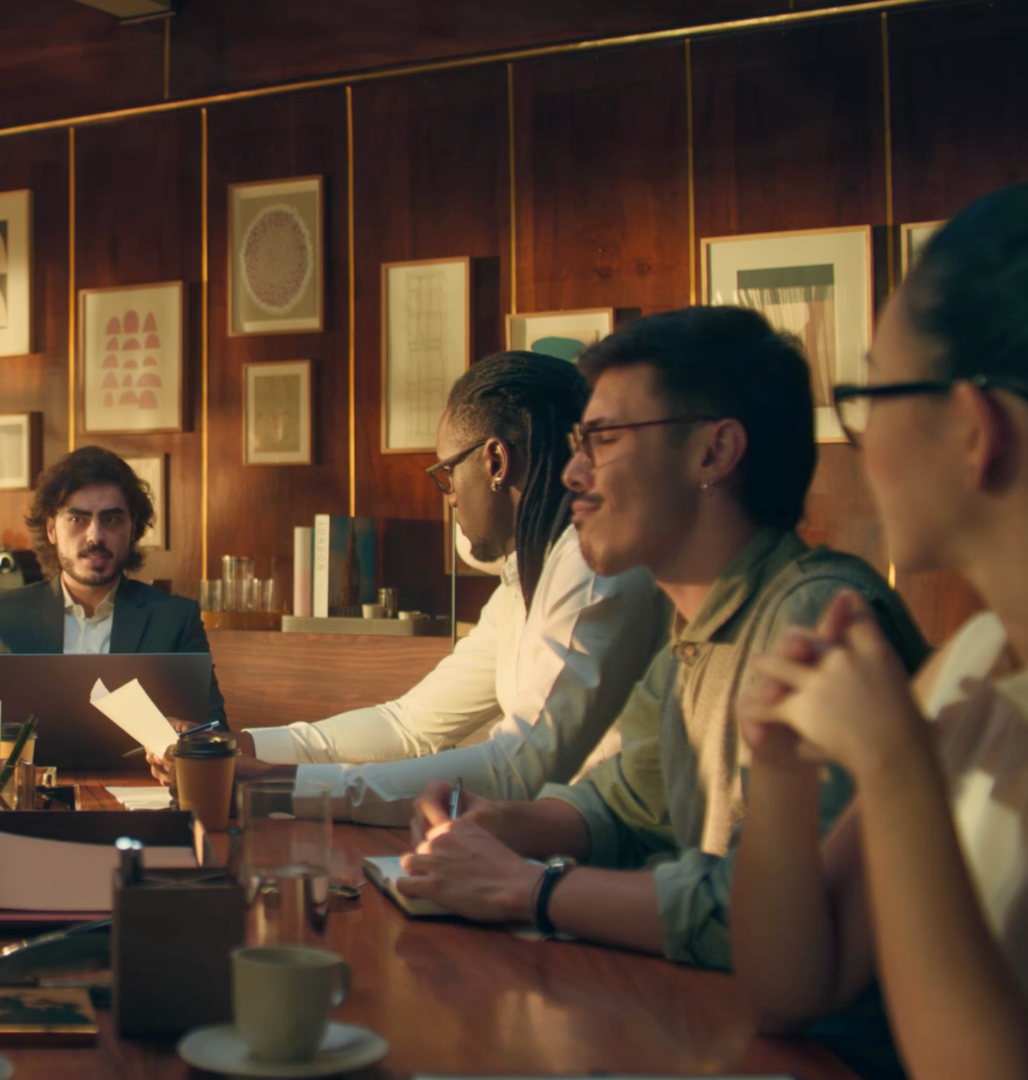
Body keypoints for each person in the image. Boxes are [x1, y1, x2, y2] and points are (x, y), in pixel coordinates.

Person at [395, 305, 928, 971]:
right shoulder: (692, 631)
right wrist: (496, 823)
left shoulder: (814, 620)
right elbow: (620, 807)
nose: (571, 475)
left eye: (604, 440)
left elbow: (774, 918)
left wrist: (524, 888)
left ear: (714, 451)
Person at [732, 186, 1028, 1080]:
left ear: (975, 430)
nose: (856, 440)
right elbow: (791, 988)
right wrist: (780, 775)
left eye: (868, 394)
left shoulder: (939, 705)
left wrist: (896, 766)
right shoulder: (972, 668)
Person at [161, 353, 666, 825]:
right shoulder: (521, 585)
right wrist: (243, 748)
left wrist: (279, 786)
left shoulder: (592, 571)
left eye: (446, 475)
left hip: (615, 871)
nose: (448, 499)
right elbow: (411, 725)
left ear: (494, 462)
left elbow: (515, 770)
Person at [0, 445, 227, 726]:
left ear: (133, 527)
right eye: (77, 519)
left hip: (143, 776)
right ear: (51, 529)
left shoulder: (175, 620)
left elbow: (215, 735)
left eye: (111, 519)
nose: (95, 536)